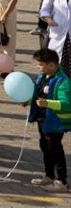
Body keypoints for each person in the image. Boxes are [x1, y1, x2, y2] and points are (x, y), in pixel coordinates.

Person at [28, 47, 70, 192]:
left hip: (55, 123)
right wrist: (28, 100)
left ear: (52, 65)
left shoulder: (63, 82)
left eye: (40, 64)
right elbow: (36, 93)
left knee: (55, 150)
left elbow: (66, 104)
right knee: (45, 148)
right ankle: (49, 175)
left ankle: (62, 181)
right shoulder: (42, 77)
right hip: (42, 120)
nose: (37, 67)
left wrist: (48, 103)